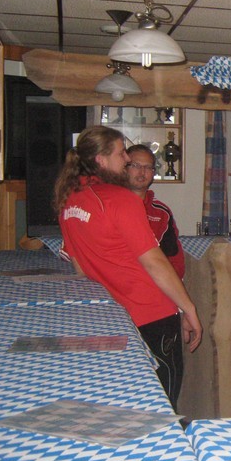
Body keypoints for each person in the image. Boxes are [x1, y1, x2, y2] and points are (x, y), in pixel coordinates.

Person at [54, 126, 202, 410]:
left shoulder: (69, 201)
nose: (126, 159)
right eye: (121, 153)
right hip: (151, 315)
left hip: (110, 317)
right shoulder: (120, 199)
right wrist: (189, 308)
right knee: (163, 402)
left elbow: (80, 270)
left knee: (122, 403)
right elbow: (154, 261)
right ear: (101, 159)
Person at [126, 144, 185, 278]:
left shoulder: (161, 213)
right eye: (135, 166)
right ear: (124, 169)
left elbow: (174, 258)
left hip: (154, 281)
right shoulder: (110, 206)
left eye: (148, 167)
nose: (142, 172)